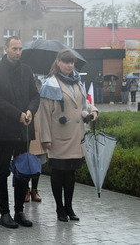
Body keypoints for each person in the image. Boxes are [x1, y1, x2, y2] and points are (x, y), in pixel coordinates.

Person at [39, 49, 98, 222]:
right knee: (58, 173)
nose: (70, 65)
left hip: (76, 136)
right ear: (58, 62)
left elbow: (83, 104)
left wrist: (92, 111)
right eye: (66, 62)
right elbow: (43, 114)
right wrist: (45, 138)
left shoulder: (77, 81)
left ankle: (69, 207)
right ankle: (59, 209)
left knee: (71, 174)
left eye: (72, 62)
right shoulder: (50, 84)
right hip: (58, 137)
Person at [0, 36, 40, 228]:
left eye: (20, 49)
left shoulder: (26, 70)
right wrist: (16, 114)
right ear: (6, 49)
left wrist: (30, 111)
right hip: (6, 128)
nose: (18, 52)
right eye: (15, 48)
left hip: (24, 128)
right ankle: (4, 213)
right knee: (2, 172)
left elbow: (35, 95)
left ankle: (19, 211)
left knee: (22, 172)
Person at [25, 78, 46, 203]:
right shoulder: (20, 86)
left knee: (37, 163)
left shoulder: (43, 88)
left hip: (40, 130)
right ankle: (26, 189)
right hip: (26, 128)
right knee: (25, 162)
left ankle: (35, 189)